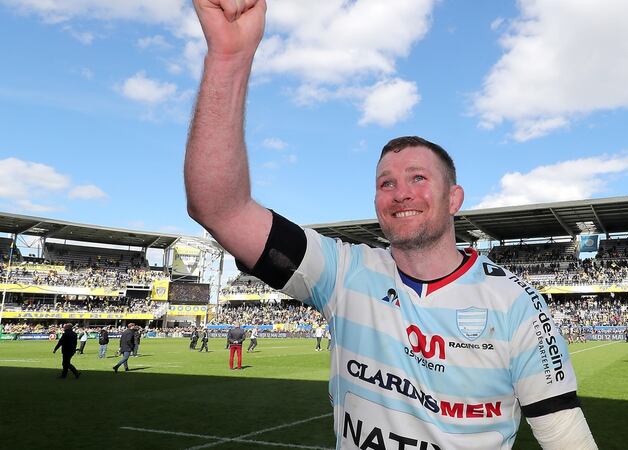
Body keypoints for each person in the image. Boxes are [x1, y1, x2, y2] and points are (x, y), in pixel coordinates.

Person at [185, 1, 596, 448]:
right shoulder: (344, 273)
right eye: (386, 182)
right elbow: (219, 208)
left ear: (454, 198)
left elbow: (564, 436)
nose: (400, 192)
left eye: (418, 178)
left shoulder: (514, 302)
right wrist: (229, 56)